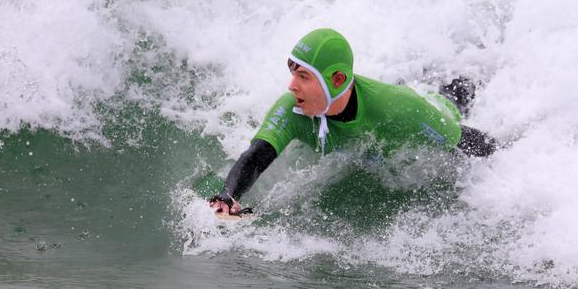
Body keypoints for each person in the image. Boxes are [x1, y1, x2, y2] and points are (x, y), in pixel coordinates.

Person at [210, 28, 496, 214]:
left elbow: (462, 140)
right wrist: (227, 197)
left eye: (304, 77)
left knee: (456, 92)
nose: (291, 86)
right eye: (292, 74)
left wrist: (507, 162)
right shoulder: (293, 109)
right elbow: (255, 157)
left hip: (436, 105)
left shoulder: (400, 108)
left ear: (337, 80)